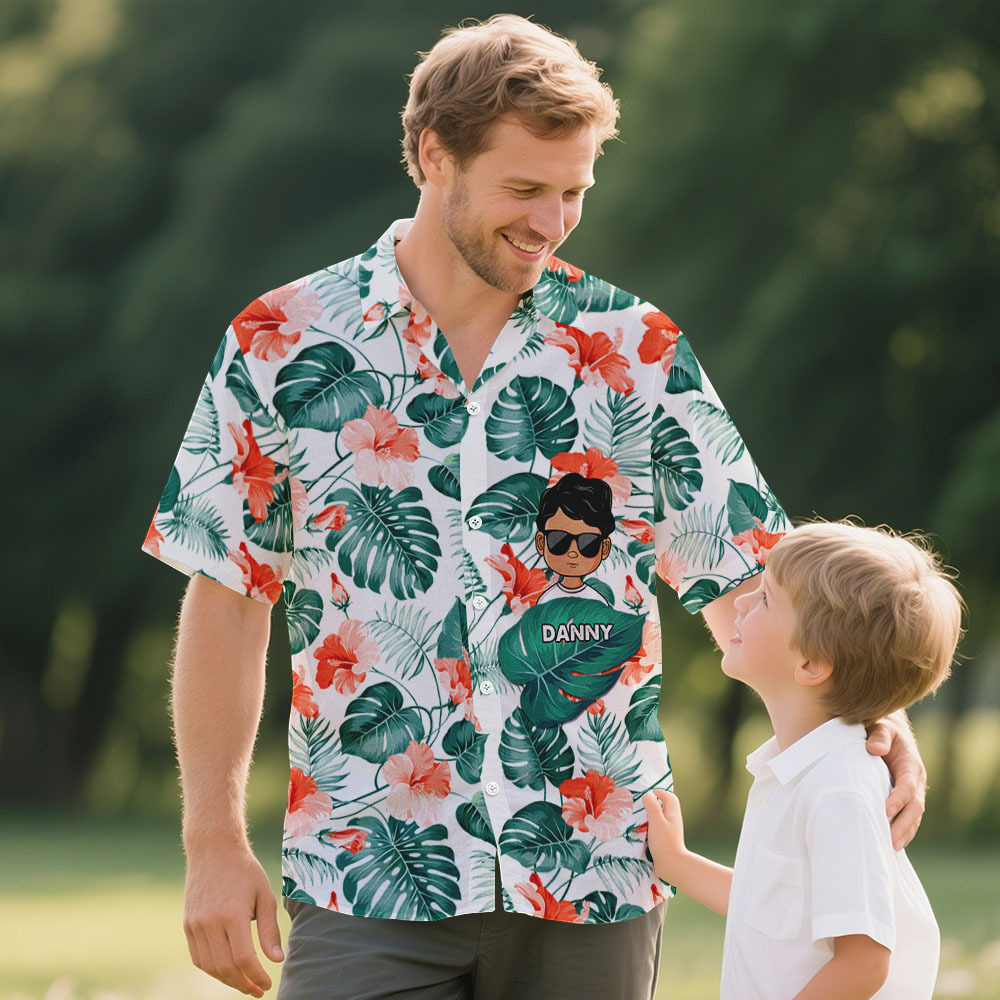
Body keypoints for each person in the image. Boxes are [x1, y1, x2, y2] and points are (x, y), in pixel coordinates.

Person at [141, 15, 930, 1000]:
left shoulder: (633, 349)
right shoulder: (280, 342)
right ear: (435, 156)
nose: (551, 221)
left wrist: (859, 713)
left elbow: (744, 572)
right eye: (524, 189)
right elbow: (227, 596)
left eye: (573, 193)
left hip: (597, 874)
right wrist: (214, 843)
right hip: (367, 873)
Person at [642, 520, 964, 999]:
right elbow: (774, 912)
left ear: (812, 664)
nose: (742, 600)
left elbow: (865, 961)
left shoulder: (839, 787)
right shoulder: (798, 771)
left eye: (767, 597)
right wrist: (678, 864)